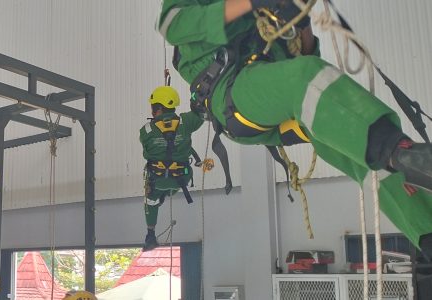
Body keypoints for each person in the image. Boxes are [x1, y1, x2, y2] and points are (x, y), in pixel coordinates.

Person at [159, 0, 432, 255]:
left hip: (282, 104)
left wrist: (301, 23)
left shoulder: (266, 18)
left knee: (358, 145)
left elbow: (303, 54)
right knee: (304, 78)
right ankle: (398, 152)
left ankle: (426, 231)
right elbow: (172, 25)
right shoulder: (224, 8)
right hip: (233, 94)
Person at [139, 86, 204, 251]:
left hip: (157, 180)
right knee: (168, 188)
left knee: (150, 199)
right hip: (180, 180)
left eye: (153, 108)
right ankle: (165, 195)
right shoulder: (187, 122)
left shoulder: (146, 130)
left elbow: (146, 152)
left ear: (158, 108)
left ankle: (150, 233)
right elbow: (202, 113)